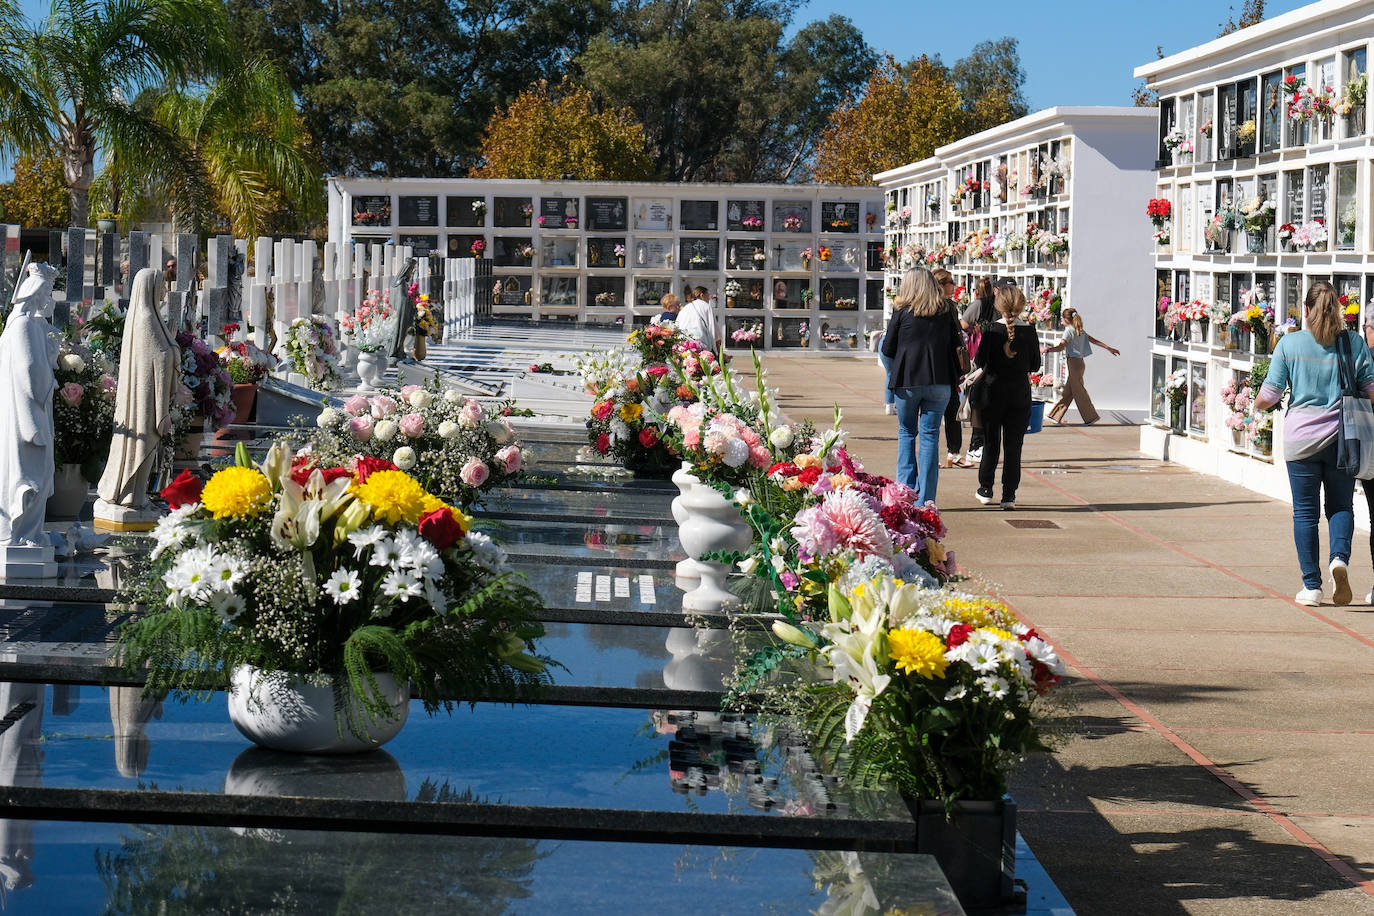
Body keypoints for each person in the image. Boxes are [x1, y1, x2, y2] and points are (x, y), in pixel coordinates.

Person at [1255, 281, 1374, 607]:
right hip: (1343, 439)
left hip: (1301, 442)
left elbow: (1270, 395)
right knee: (1340, 506)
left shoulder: (1289, 344)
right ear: (1338, 309)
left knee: (1305, 514)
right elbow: (1371, 390)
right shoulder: (1353, 344)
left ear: (1305, 311)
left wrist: (1256, 404)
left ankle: (1312, 587)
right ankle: (1339, 559)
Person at [96, 268, 179, 526]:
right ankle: (131, 495)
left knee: (145, 447)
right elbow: (161, 357)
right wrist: (173, 346)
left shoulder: (145, 317)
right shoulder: (145, 319)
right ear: (150, 288)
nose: (164, 291)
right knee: (142, 446)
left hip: (144, 397)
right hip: (143, 402)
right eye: (161, 285)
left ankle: (136, 496)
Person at [882, 267, 962, 504]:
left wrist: (894, 370)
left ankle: (905, 494)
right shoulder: (947, 311)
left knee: (907, 433)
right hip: (939, 382)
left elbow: (887, 348)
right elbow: (957, 345)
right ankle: (926, 499)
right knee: (930, 436)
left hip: (907, 381)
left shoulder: (902, 311)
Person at [0, 262, 60, 549]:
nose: (48, 296)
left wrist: (52, 352)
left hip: (33, 408)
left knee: (39, 471)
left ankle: (30, 533)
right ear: (34, 291)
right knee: (30, 474)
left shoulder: (31, 324)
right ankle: (21, 533)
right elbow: (29, 371)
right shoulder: (22, 325)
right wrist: (51, 377)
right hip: (27, 413)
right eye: (46, 290)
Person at [974, 283, 1041, 510]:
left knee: (991, 442)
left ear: (999, 305)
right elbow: (1035, 364)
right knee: (1014, 446)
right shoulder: (1030, 331)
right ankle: (1009, 495)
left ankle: (985, 488)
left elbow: (980, 361)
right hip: (1019, 395)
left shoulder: (992, 330)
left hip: (992, 392)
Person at [1043, 306, 1120, 425]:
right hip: (1079, 363)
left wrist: (1048, 349)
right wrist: (1108, 348)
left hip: (1073, 363)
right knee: (1068, 392)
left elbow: (1061, 346)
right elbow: (1094, 340)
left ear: (1065, 319)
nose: (1062, 321)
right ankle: (1055, 416)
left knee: (1079, 392)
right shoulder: (1079, 330)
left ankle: (1091, 417)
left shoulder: (1069, 331)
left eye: (1062, 319)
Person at [933, 268, 971, 468]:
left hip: (934, 365)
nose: (953, 286)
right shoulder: (947, 307)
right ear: (940, 285)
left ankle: (950, 454)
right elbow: (955, 334)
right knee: (950, 410)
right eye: (949, 282)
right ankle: (953, 453)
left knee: (940, 412)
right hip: (947, 366)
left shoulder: (933, 306)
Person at [961, 277, 996, 462]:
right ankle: (978, 444)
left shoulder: (978, 305)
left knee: (978, 400)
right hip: (990, 358)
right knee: (983, 401)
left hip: (978, 357)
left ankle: (976, 445)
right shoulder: (994, 306)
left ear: (976, 291)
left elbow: (962, 325)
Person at [676, 285, 720, 351]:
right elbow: (712, 326)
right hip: (701, 344)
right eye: (708, 296)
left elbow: (677, 326)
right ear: (702, 295)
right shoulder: (706, 306)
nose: (709, 299)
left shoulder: (685, 308)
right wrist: (717, 344)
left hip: (685, 344)